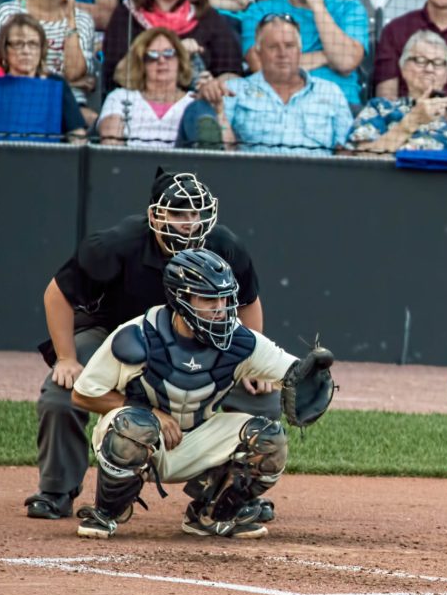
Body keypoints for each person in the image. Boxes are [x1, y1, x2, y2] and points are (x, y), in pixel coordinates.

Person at [24, 168, 280, 522]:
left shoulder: (224, 245)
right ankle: (56, 491)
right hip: (114, 337)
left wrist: (256, 366)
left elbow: (249, 303)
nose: (190, 223)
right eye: (178, 213)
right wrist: (67, 358)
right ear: (154, 215)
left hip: (201, 339)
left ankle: (232, 493)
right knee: (60, 392)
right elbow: (58, 295)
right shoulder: (115, 244)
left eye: (196, 213)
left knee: (263, 399)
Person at [72, 248, 333, 540]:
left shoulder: (241, 341)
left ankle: (212, 516)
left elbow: (292, 372)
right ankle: (109, 511)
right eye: (209, 299)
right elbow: (83, 395)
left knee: (270, 440)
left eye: (224, 298)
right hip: (143, 436)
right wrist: (151, 413)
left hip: (198, 437)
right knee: (134, 426)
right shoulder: (138, 335)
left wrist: (311, 376)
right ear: (180, 300)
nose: (220, 308)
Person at [180, 13, 352, 154]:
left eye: (289, 46)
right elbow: (226, 152)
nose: (282, 53)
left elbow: (345, 152)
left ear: (300, 51)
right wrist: (218, 111)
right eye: (273, 47)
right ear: (258, 52)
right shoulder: (235, 90)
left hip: (318, 187)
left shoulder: (329, 92)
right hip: (255, 186)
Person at [346, 30, 447, 155]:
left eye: (438, 63)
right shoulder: (381, 109)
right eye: (420, 61)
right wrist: (410, 122)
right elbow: (359, 162)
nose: (429, 69)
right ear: (403, 68)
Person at [102, 0, 242, 99]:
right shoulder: (125, 16)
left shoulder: (207, 16)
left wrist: (212, 87)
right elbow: (114, 76)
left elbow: (231, 73)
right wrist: (177, 52)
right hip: (138, 105)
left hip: (196, 105)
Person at [240, 0, 369, 107]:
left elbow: (345, 63)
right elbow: (261, 66)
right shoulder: (260, 11)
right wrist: (326, 57)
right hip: (277, 103)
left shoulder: (349, 7)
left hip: (339, 103)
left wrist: (318, 7)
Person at [0, 0, 97, 122]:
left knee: (92, 119)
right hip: (16, 95)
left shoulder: (82, 20)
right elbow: (1, 65)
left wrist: (70, 18)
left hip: (70, 104)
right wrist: (67, 83)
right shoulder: (8, 13)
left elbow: (74, 73)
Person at [97, 27, 195, 147]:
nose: (161, 60)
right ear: (141, 63)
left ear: (179, 59)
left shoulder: (195, 103)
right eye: (152, 55)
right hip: (133, 163)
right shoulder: (120, 97)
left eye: (169, 53)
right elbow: (111, 147)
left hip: (183, 165)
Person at [0, 12, 86, 141]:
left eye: (33, 44)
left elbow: (77, 135)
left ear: (42, 48)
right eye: (17, 44)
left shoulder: (57, 85)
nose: (26, 51)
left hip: (46, 159)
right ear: (4, 49)